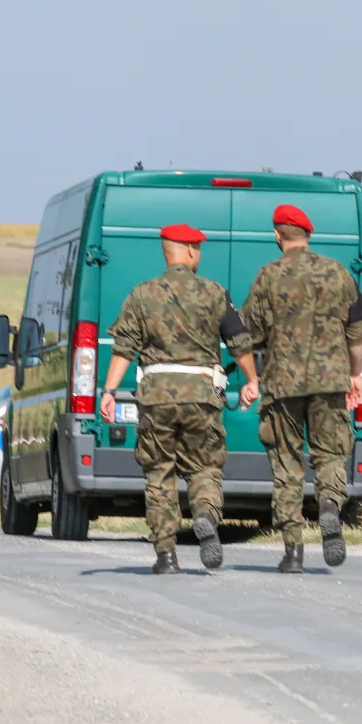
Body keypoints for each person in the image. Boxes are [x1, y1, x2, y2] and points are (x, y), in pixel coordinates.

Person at [100, 223, 260, 575]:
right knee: (204, 467)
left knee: (159, 474)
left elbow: (124, 348)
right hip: (202, 395)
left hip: (156, 397)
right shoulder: (214, 292)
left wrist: (109, 392)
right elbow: (239, 342)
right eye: (198, 248)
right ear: (189, 250)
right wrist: (251, 380)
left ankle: (166, 556)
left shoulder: (141, 294)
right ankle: (204, 515)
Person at [241, 204, 362, 573]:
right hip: (331, 380)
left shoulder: (268, 276)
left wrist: (250, 372)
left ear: (278, 236)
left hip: (283, 383)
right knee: (330, 453)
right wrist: (355, 374)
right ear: (307, 236)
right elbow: (357, 330)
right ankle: (329, 506)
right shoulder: (338, 273)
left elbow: (249, 331)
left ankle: (292, 552)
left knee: (286, 462)